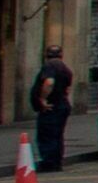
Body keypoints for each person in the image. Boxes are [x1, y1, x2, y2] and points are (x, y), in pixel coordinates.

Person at [30, 37, 73, 173]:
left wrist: (42, 99)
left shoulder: (50, 66)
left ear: (47, 55)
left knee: (47, 135)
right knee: (57, 135)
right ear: (61, 55)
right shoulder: (65, 69)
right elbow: (67, 88)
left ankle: (48, 162)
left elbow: (49, 82)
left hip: (52, 106)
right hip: (62, 105)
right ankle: (56, 162)